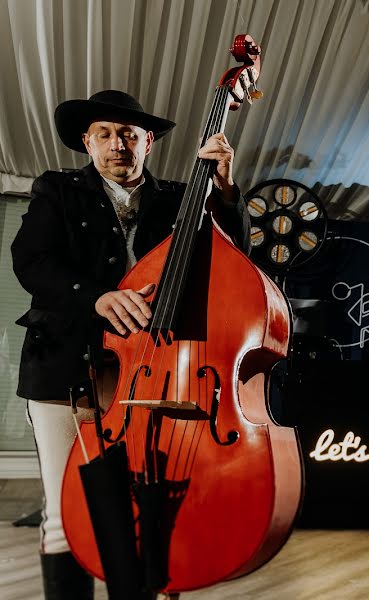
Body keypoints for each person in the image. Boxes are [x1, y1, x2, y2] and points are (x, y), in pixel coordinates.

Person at [11, 89, 250, 600]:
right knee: (62, 512)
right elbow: (32, 262)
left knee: (149, 503)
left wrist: (226, 192)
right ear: (87, 141)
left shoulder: (182, 200)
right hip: (64, 373)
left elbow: (235, 258)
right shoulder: (57, 189)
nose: (117, 143)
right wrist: (96, 298)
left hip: (149, 372)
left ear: (149, 142)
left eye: (128, 134)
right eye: (104, 133)